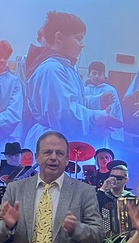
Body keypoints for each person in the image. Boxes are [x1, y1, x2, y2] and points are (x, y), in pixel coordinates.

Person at [21, 11, 121, 147]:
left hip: (62, 139)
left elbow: (75, 102)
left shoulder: (66, 67)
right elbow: (64, 116)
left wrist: (97, 102)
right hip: (51, 142)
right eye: (78, 38)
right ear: (59, 37)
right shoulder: (52, 69)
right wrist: (99, 117)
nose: (82, 44)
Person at [84, 60, 124, 150]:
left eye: (100, 74)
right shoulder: (84, 90)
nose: (97, 76)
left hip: (105, 131)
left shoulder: (110, 90)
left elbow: (112, 111)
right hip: (88, 129)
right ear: (89, 74)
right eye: (94, 73)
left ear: (104, 76)